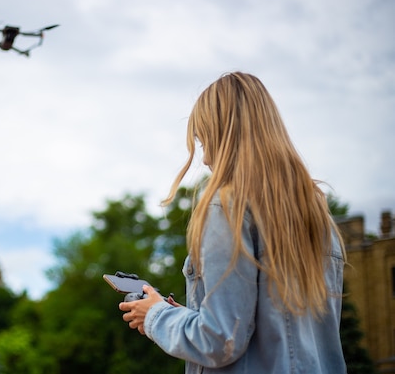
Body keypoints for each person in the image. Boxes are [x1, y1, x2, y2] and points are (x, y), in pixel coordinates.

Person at [119, 72, 347, 373]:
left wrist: (156, 316)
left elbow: (220, 340)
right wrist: (190, 316)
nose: (206, 160)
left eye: (204, 142)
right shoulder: (319, 217)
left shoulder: (228, 207)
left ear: (224, 136)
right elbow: (274, 335)